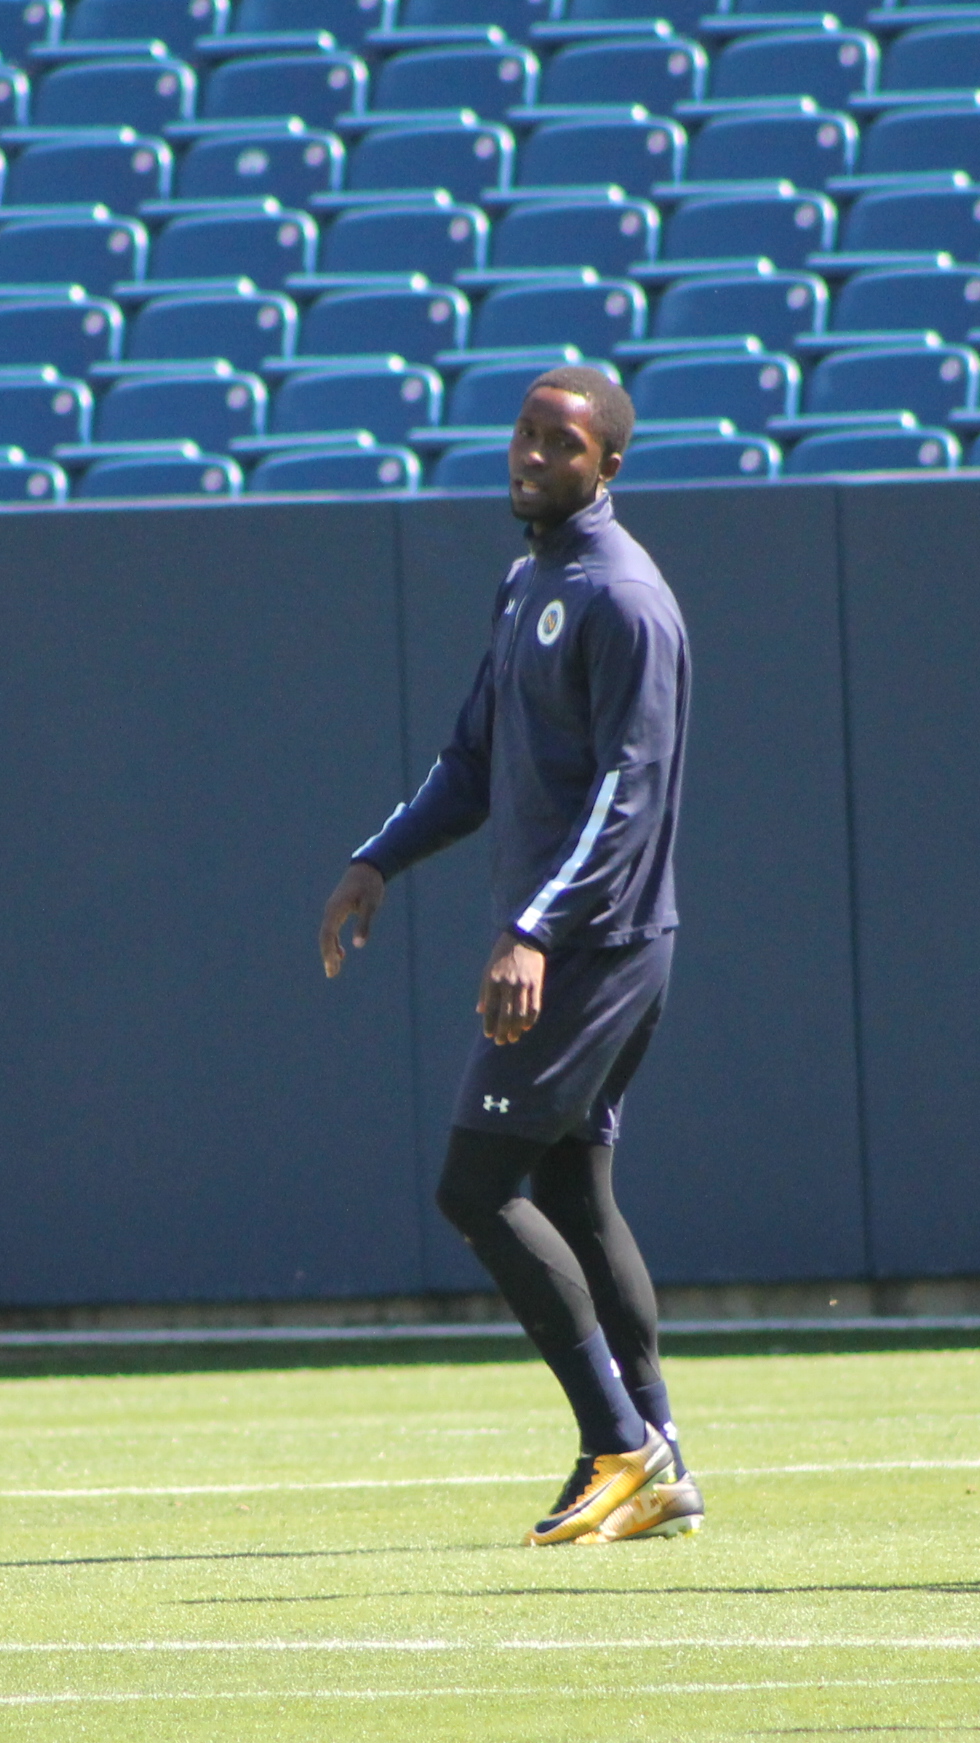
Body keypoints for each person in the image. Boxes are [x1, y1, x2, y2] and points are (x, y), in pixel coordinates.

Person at [316, 365, 701, 1547]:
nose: (531, 455)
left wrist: (532, 927)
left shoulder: (624, 599)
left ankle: (621, 1447)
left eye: (560, 443)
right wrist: (377, 857)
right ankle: (659, 1457)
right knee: (572, 1192)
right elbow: (474, 757)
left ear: (608, 465)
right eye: (525, 433)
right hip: (581, 941)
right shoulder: (528, 580)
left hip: (596, 945)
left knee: (474, 1188)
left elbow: (627, 797)